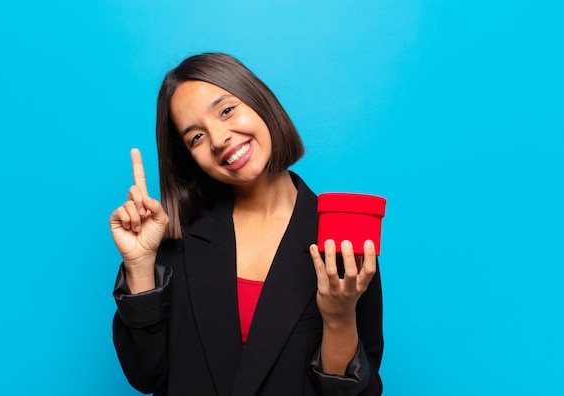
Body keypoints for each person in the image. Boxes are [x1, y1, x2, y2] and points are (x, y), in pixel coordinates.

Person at [109, 52, 383, 395]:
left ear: (259, 101)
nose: (220, 139)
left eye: (226, 111)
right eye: (196, 137)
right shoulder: (175, 239)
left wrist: (339, 317)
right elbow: (145, 374)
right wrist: (139, 266)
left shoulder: (339, 237)